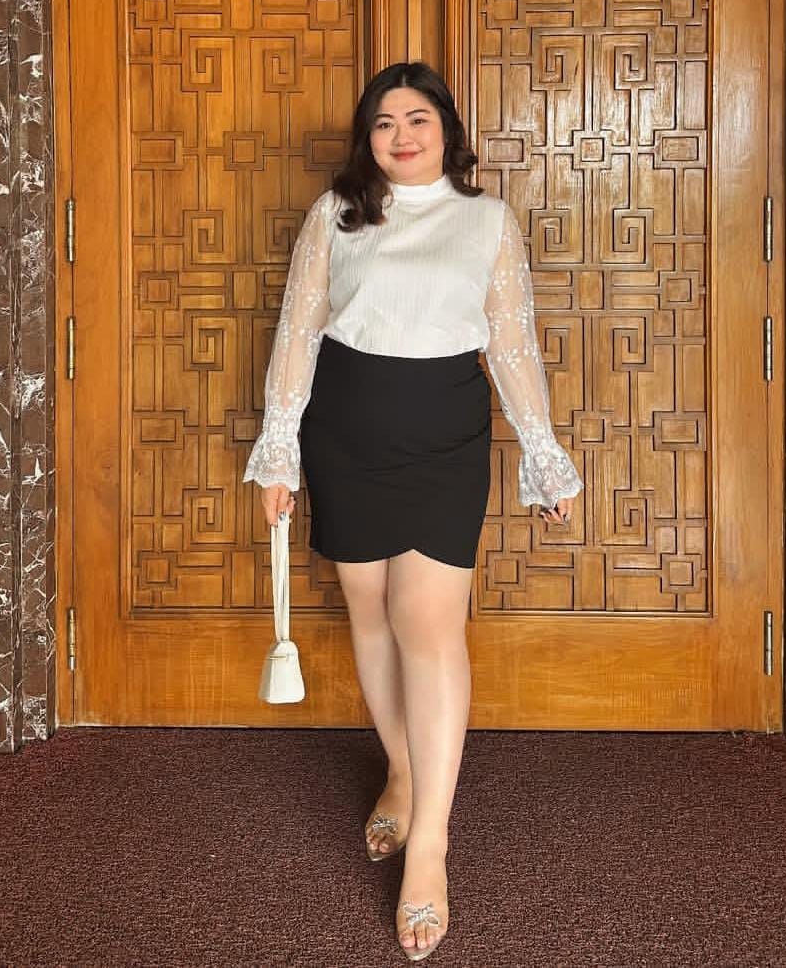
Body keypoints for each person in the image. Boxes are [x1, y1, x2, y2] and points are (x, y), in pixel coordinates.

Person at [243, 61, 583, 962]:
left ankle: (428, 842)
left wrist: (542, 453)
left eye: (417, 118)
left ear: (445, 130)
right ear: (368, 137)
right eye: (385, 122)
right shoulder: (337, 213)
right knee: (369, 613)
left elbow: (510, 342)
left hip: (443, 436)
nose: (401, 135)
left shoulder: (486, 220)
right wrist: (279, 448)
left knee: (426, 624)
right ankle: (399, 768)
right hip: (344, 431)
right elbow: (298, 328)